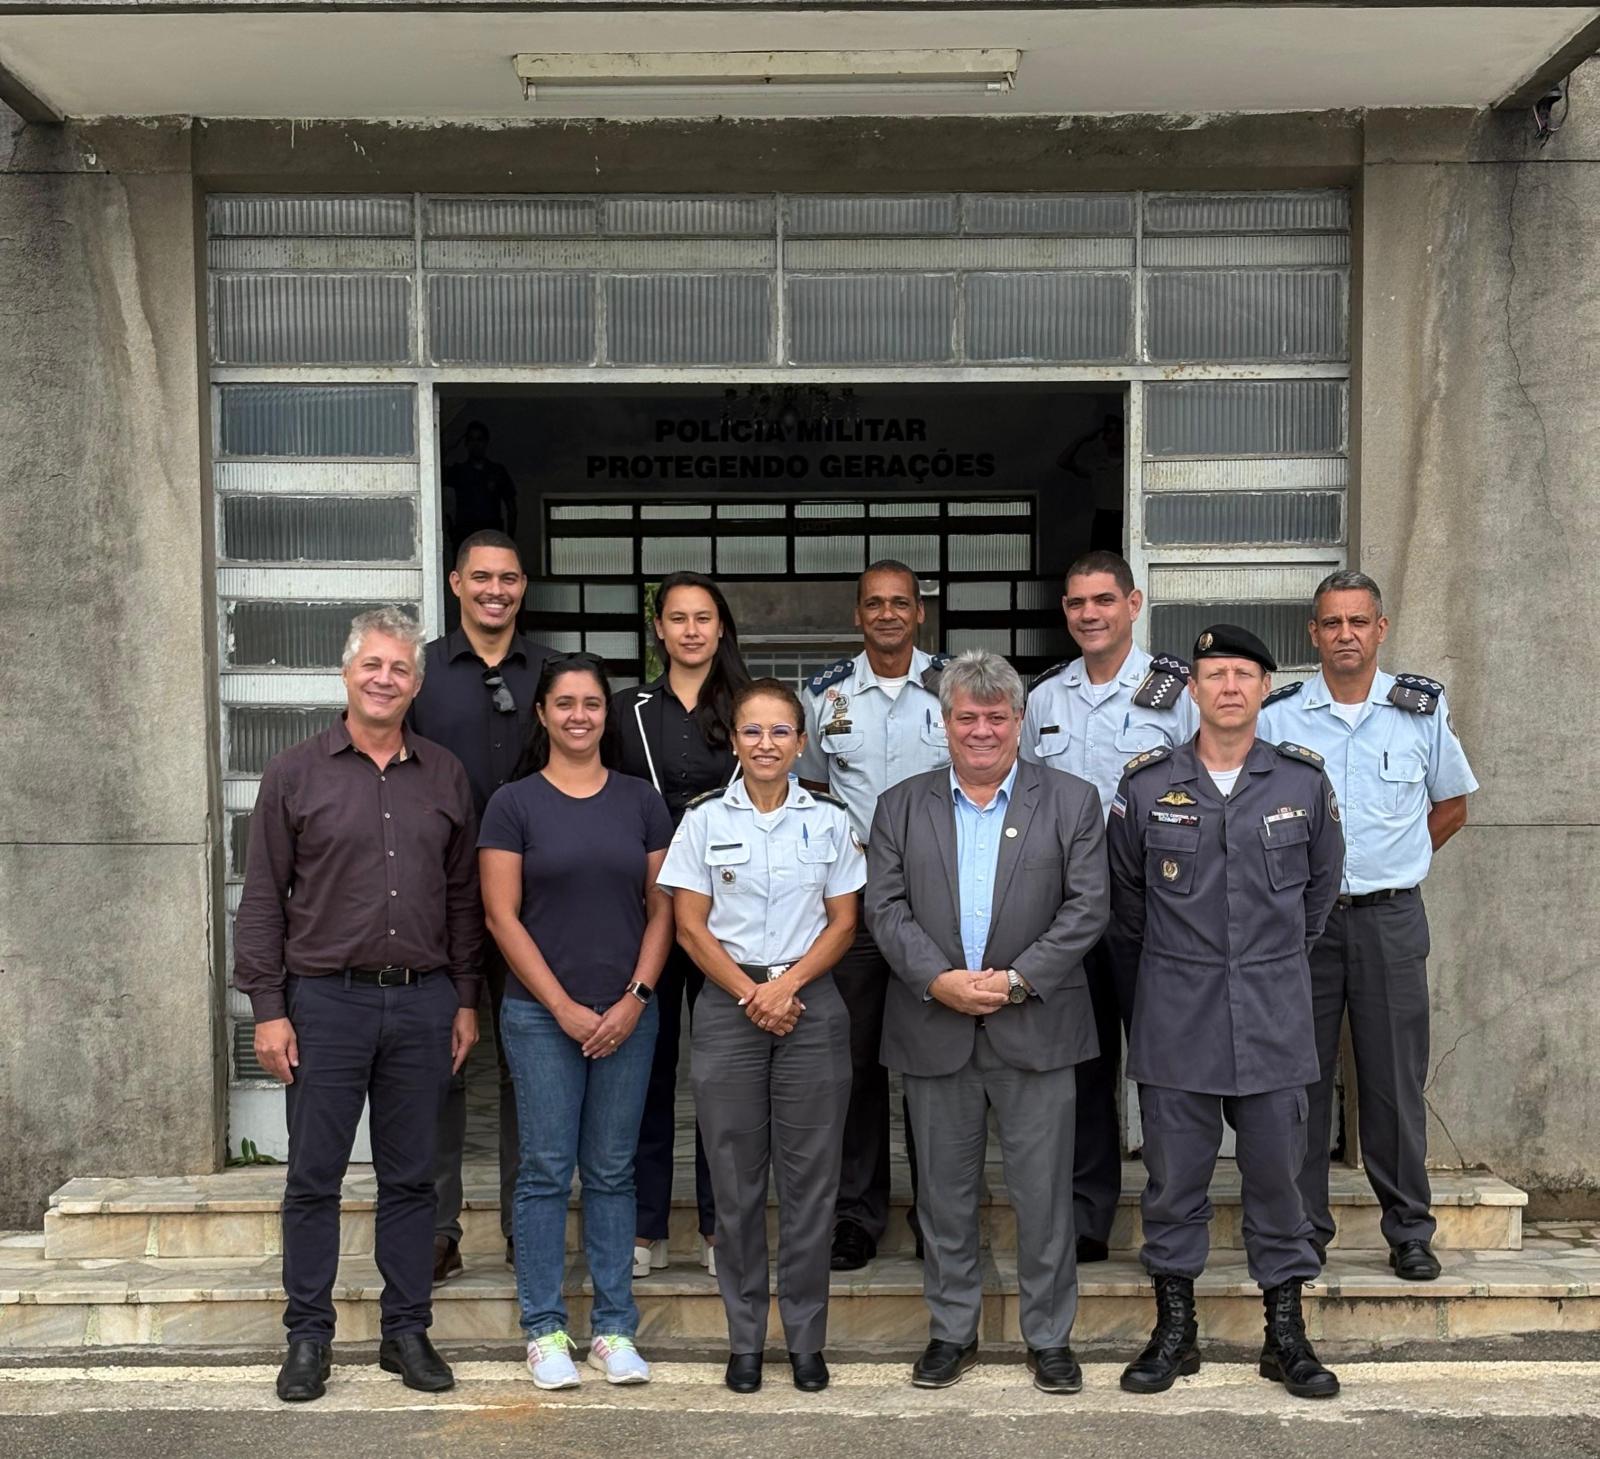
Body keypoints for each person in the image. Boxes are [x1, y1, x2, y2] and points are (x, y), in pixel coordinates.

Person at [234, 607, 482, 1404]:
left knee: (413, 1179)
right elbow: (263, 898)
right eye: (372, 664)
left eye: (400, 668)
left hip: (421, 1002)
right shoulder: (293, 774)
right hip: (324, 1004)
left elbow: (462, 900)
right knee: (314, 1176)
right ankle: (308, 1336)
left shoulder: (444, 775)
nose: (385, 678)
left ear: (415, 683)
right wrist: (268, 1007)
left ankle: (405, 1330)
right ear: (347, 673)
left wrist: (464, 999)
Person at [1107, 625, 1344, 1400]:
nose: (1231, 685)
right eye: (1215, 673)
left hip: (1275, 1016)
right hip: (1178, 1014)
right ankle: (1176, 1331)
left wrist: (1264, 962)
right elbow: (1129, 903)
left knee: (1279, 1177)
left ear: (1265, 687)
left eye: (1245, 672)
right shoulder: (1146, 785)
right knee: (1175, 1181)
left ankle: (1286, 1335)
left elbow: (1319, 895)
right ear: (1195, 689)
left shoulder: (1302, 783)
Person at [864, 649, 1108, 1396]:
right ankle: (951, 1330)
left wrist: (1017, 979)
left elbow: (1087, 905)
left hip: (1035, 1025)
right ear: (944, 723)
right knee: (942, 1196)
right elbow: (884, 906)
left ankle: (1048, 1337)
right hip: (934, 1023)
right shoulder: (901, 804)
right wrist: (937, 979)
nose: (980, 730)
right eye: (965, 716)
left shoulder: (1070, 800)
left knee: (1044, 1195)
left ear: (1018, 720)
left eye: (995, 716)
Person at [1259, 570, 1477, 1282]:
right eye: (1332, 623)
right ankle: (1304, 1230)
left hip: (1388, 918)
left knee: (1392, 1081)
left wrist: (1400, 861)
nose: (1345, 634)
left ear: (1380, 628)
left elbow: (1451, 806)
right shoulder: (1280, 715)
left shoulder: (1419, 711)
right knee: (1301, 1081)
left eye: (1358, 621)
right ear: (1313, 634)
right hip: (1303, 926)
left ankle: (1409, 1228)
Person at [658, 678, 865, 1395]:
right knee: (737, 1183)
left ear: (801, 742)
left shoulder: (831, 820)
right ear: (735, 741)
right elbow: (689, 925)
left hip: (810, 1003)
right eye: (753, 732)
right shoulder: (705, 820)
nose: (767, 744)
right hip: (729, 1002)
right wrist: (754, 991)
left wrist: (786, 986)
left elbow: (844, 921)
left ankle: (806, 1339)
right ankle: (745, 1339)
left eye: (781, 732)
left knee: (812, 1185)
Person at [478, 653, 675, 1390]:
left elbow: (664, 908)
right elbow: (501, 914)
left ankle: (614, 1328)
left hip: (629, 1013)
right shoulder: (514, 803)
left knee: (613, 1171)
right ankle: (545, 1330)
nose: (579, 715)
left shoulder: (641, 802)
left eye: (592, 703)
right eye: (564, 703)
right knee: (544, 1171)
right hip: (539, 1016)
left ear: (606, 713)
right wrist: (561, 1006)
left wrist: (636, 996)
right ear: (543, 713)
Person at [1021, 550, 1198, 1264]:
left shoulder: (1177, 690)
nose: (1088, 614)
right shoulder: (1044, 698)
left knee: (1165, 1062)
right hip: (1066, 904)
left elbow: (1207, 790)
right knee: (1082, 1064)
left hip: (1155, 899)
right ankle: (1087, 1216)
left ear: (1134, 603)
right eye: (1075, 603)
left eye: (1102, 600)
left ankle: (1173, 1211)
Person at [797, 560, 950, 1271]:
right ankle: (856, 1214)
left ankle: (937, 1213)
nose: (887, 614)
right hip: (853, 907)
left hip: (937, 906)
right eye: (873, 604)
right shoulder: (824, 695)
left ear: (920, 612)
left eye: (900, 603)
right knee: (852, 1065)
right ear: (857, 615)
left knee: (932, 1063)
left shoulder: (957, 685)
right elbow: (815, 796)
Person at [408, 529, 551, 1285]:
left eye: (509, 579)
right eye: (481, 578)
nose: (495, 591)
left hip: (538, 904)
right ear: (458, 583)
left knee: (530, 1065)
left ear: (523, 585)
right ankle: (437, 1229)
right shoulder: (421, 675)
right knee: (442, 1063)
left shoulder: (553, 674)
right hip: (441, 896)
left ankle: (527, 1226)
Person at [606, 571, 748, 1282]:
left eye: (704, 617)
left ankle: (720, 1224)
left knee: (720, 1074)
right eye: (677, 618)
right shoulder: (624, 709)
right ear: (657, 630)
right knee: (648, 1069)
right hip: (650, 910)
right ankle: (644, 1224)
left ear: (721, 627)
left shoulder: (749, 708)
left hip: (732, 913)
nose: (692, 630)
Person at [443, 420, 518, 560]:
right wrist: (450, 444)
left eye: (479, 439)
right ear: (466, 443)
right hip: (465, 536)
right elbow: (433, 469)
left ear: (486, 442)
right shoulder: (458, 471)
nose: (475, 444)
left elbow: (512, 509)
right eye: (471, 439)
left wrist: (509, 541)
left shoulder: (497, 471)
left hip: (492, 535)